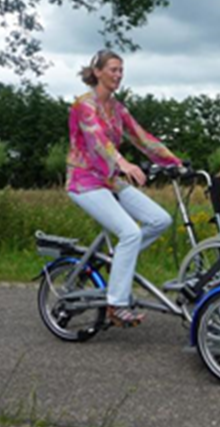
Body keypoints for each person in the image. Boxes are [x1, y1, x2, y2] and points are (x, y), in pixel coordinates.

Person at [66, 49, 182, 327]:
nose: (118, 75)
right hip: (84, 180)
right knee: (129, 232)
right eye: (113, 69)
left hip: (110, 180)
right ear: (97, 72)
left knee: (160, 220)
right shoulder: (84, 105)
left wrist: (175, 162)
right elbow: (97, 142)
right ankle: (116, 304)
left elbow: (143, 138)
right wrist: (124, 163)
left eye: (121, 70)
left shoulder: (118, 109)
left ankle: (119, 259)